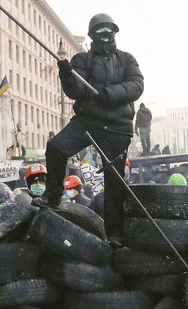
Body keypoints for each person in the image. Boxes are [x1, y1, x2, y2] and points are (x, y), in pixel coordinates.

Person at [37, 13, 144, 246]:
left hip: (117, 126)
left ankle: (114, 233)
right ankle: (53, 195)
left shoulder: (127, 59)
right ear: (92, 34)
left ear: (115, 32)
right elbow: (76, 91)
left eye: (109, 30)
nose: (105, 35)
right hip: (88, 120)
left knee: (114, 178)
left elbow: (136, 85)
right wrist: (66, 74)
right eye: (100, 31)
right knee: (56, 147)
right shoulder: (81, 60)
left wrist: (110, 94)